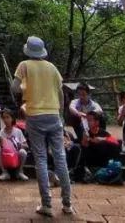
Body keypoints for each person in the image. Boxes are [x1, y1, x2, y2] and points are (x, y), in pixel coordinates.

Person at [13, 36, 75, 217]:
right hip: (54, 115)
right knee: (60, 158)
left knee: (40, 158)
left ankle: (46, 204)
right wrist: (61, 116)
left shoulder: (24, 65)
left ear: (28, 51)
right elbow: (61, 94)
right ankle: (67, 204)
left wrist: (27, 87)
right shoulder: (52, 68)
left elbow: (14, 88)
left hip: (34, 116)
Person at [80, 111, 122, 179]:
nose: (88, 122)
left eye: (90, 120)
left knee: (111, 144)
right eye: (87, 120)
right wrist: (85, 139)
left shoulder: (103, 132)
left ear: (97, 122)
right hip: (91, 160)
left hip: (104, 159)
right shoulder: (85, 133)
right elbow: (84, 147)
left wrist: (103, 139)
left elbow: (116, 142)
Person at [0, 109, 31, 182]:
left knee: (23, 152)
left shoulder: (18, 131)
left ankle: (19, 172)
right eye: (4, 118)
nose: (5, 120)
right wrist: (0, 143)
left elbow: (26, 146)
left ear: (12, 118)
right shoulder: (1, 131)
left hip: (16, 156)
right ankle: (4, 172)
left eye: (7, 117)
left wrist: (19, 145)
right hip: (6, 155)